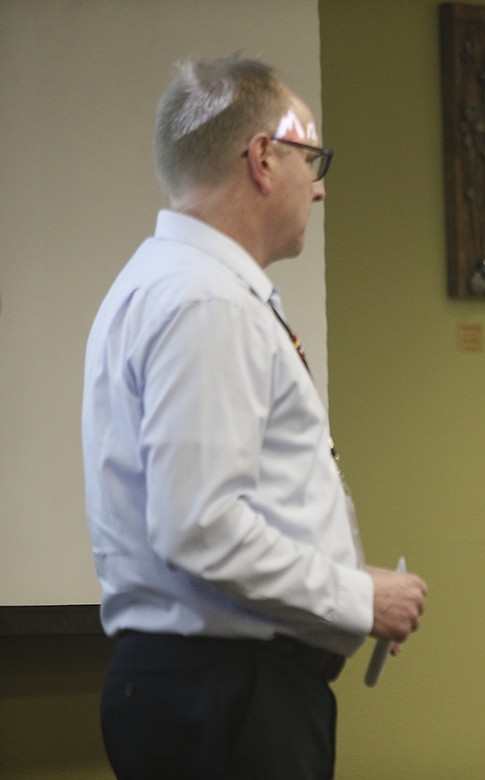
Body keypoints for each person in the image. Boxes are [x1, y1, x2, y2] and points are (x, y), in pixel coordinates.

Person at [81, 55, 426, 780]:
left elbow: (211, 512)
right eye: (313, 159)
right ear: (264, 158)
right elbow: (200, 526)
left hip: (212, 692)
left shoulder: (170, 284)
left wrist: (335, 576)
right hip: (229, 701)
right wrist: (356, 595)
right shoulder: (206, 300)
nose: (322, 186)